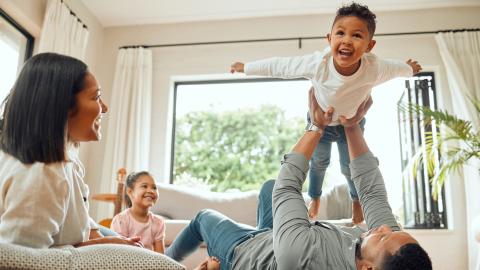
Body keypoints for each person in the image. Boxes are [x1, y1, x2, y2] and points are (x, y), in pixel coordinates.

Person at [165, 88, 432, 270]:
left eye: (384, 237)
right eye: (393, 230)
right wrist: (352, 127)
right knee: (268, 188)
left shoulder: (304, 257)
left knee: (203, 218)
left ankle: (162, 261)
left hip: (241, 252)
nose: (384, 229)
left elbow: (287, 187)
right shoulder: (380, 250)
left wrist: (316, 126)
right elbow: (372, 192)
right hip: (274, 239)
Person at [230, 2, 422, 223]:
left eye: (357, 36)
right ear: (329, 39)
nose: (347, 40)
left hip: (351, 123)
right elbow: (280, 66)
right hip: (321, 122)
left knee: (349, 167)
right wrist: (247, 68)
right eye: (340, 33)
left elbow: (396, 69)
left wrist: (409, 70)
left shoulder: (374, 68)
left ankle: (356, 200)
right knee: (319, 163)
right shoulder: (317, 64)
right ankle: (315, 197)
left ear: (369, 45)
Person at [0, 53, 143, 248]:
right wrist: (107, 252)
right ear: (62, 106)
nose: (105, 108)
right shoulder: (41, 174)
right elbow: (19, 259)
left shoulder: (63, 157)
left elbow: (77, 216)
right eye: (96, 97)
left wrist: (102, 240)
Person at [111, 171, 166, 253]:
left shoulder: (158, 222)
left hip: (150, 264)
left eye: (154, 187)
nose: (151, 191)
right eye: (144, 186)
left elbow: (161, 256)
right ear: (130, 192)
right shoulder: (121, 220)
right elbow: (119, 253)